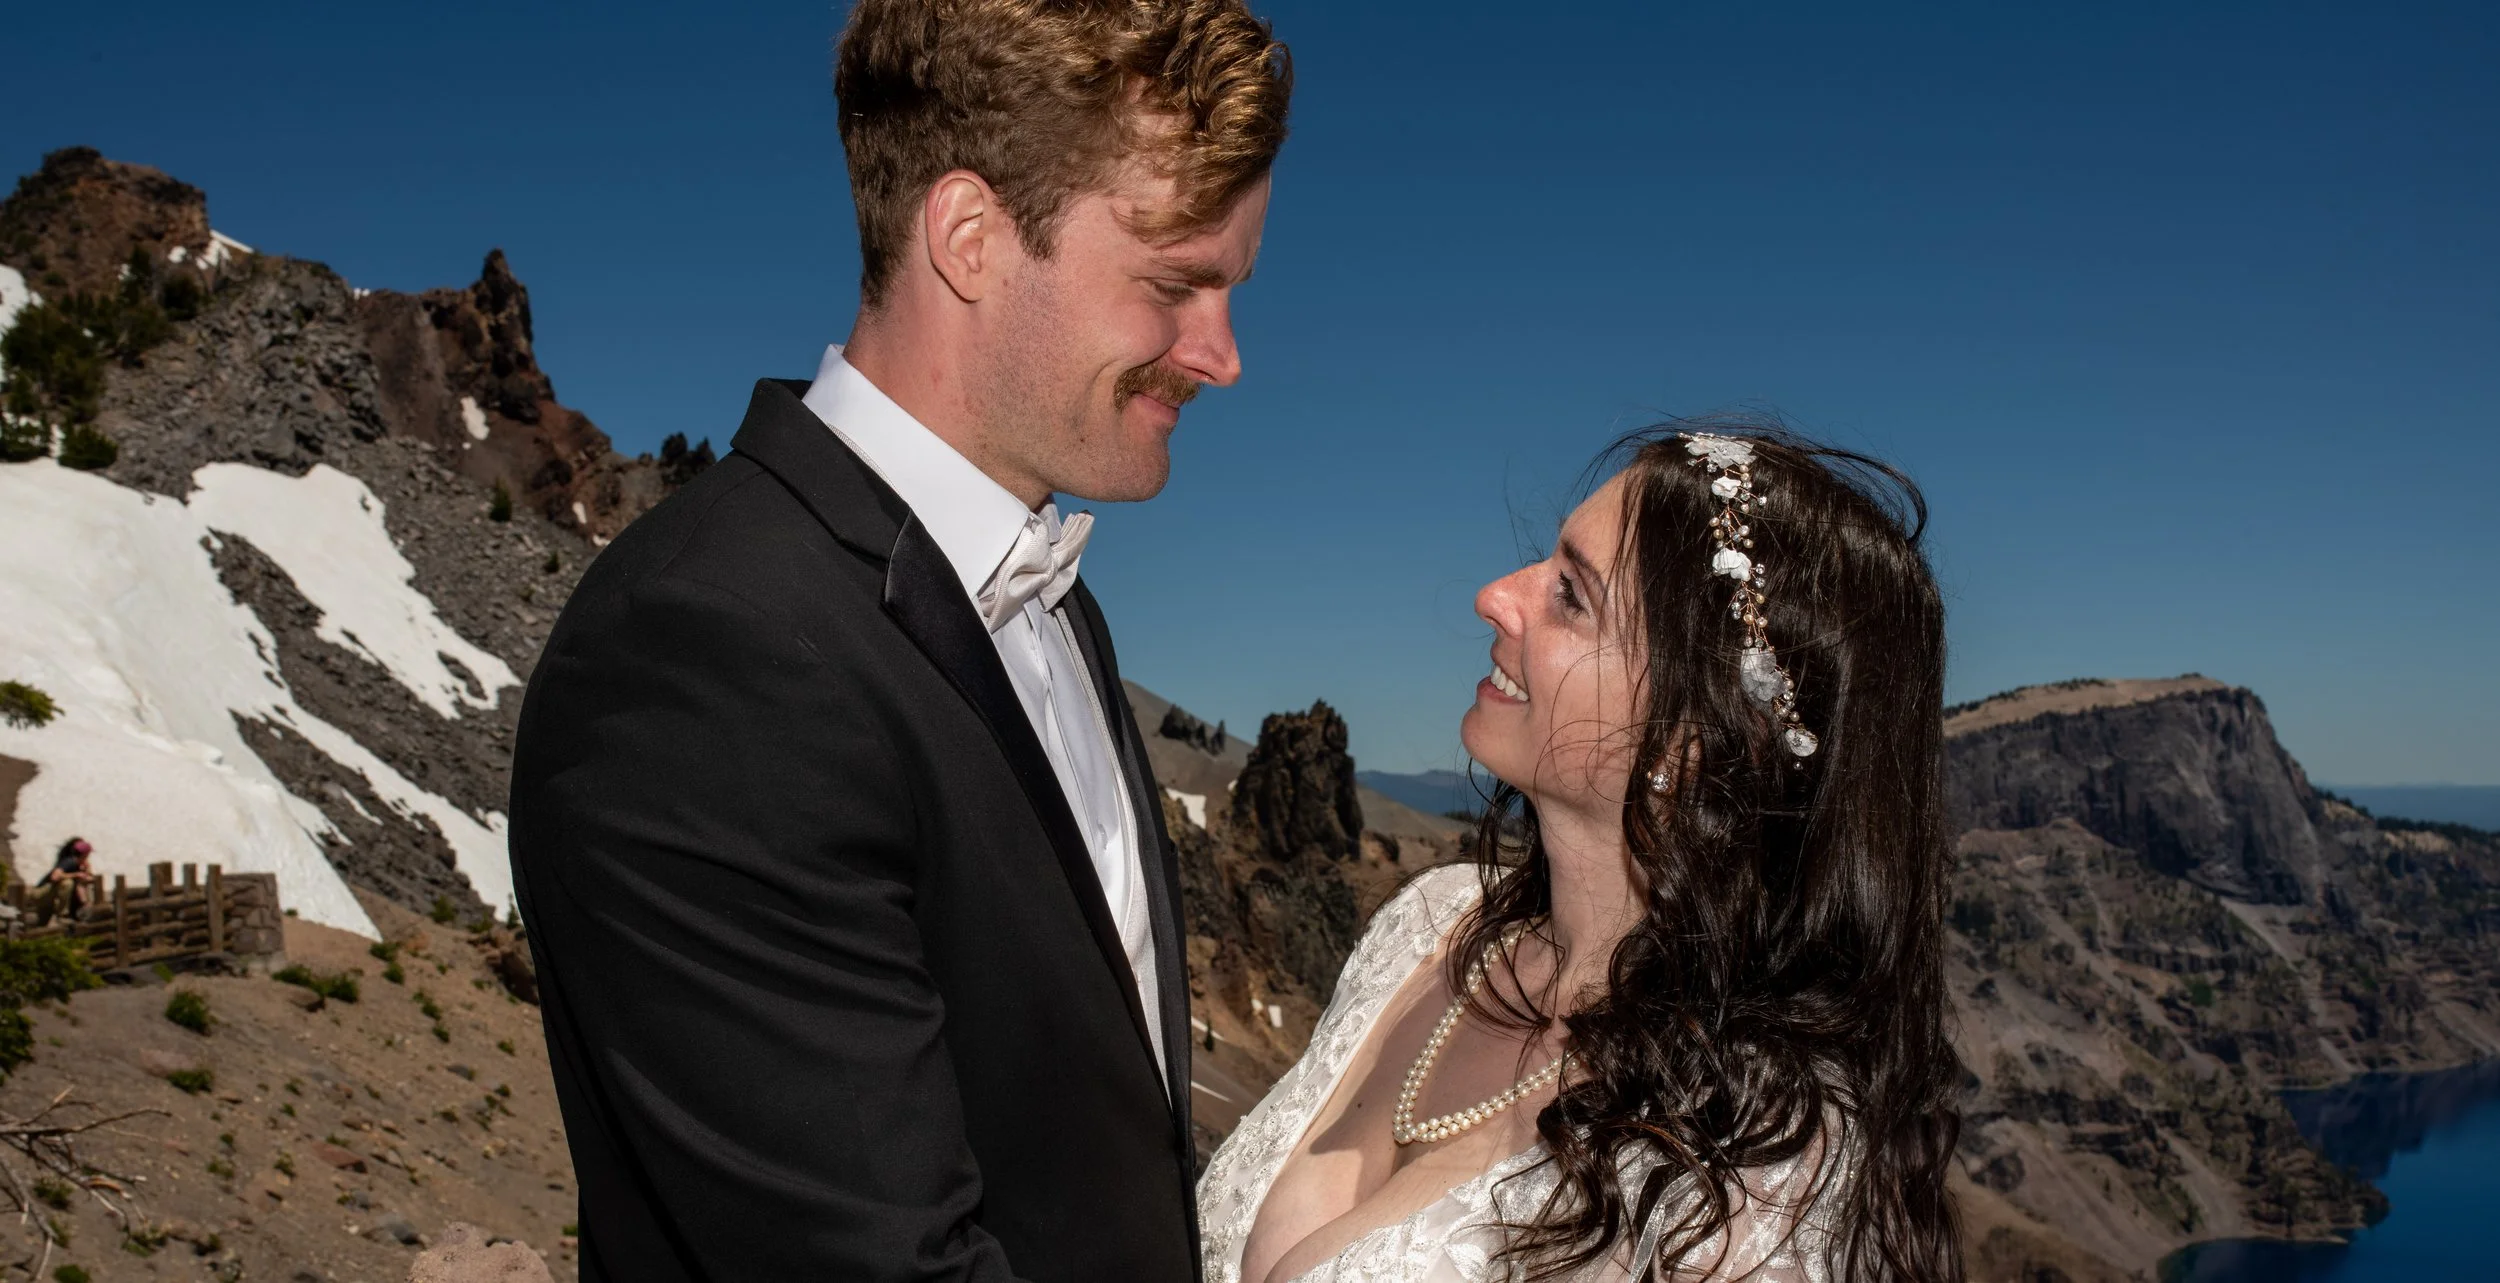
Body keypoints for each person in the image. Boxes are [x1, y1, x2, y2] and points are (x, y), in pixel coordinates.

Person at [506, 1, 1290, 1279]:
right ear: (970, 237)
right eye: (1173, 283)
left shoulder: (1053, 604)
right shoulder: (709, 649)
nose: (1222, 354)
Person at [1200, 429, 1964, 1281]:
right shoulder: (1427, 924)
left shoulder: (1750, 1166)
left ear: (1690, 743)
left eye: (1571, 594)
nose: (1496, 596)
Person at [41, 837, 99, 922]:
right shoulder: (69, 862)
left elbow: (89, 877)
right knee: (69, 883)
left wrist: (87, 870)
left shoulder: (81, 864)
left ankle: (84, 907)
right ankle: (63, 914)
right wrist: (76, 875)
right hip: (48, 894)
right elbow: (55, 877)